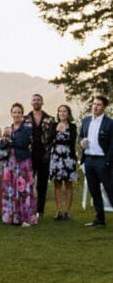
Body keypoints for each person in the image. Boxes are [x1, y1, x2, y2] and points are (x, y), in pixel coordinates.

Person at [0, 103, 37, 227]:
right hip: (9, 163)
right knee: (10, 189)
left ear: (22, 115)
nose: (16, 115)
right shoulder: (8, 128)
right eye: (14, 112)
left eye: (19, 112)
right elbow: (1, 146)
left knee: (24, 189)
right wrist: (6, 139)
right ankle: (12, 217)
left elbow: (22, 143)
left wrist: (9, 140)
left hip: (22, 163)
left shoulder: (26, 128)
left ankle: (26, 217)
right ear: (11, 114)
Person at [79, 94, 113, 228]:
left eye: (98, 104)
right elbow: (81, 135)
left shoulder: (110, 123)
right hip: (89, 159)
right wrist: (81, 142)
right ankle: (100, 219)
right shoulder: (86, 120)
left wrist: (108, 162)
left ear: (104, 107)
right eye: (94, 104)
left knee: (110, 190)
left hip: (102, 161)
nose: (95, 107)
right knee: (94, 191)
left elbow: (112, 145)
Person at [24, 93, 55, 217]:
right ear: (31, 103)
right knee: (28, 183)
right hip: (29, 154)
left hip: (44, 155)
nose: (36, 102)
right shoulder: (25, 118)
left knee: (42, 184)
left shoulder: (50, 119)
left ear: (42, 102)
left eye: (38, 100)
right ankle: (28, 207)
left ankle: (40, 210)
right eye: (34, 100)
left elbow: (53, 138)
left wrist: (49, 152)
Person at [49, 104, 78, 221]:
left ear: (68, 113)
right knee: (57, 183)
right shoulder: (54, 125)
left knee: (69, 184)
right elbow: (49, 139)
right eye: (60, 111)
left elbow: (72, 141)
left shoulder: (72, 126)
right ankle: (59, 211)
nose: (62, 113)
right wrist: (56, 131)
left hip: (68, 157)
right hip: (56, 157)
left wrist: (59, 137)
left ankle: (67, 211)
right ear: (58, 113)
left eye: (64, 111)